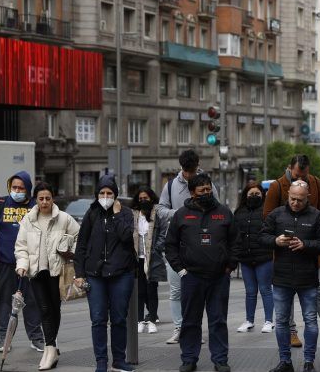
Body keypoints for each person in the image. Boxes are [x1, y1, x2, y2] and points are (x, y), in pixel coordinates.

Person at [263, 154, 320, 348]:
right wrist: (280, 238)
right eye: (297, 175)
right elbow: (267, 216)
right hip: (285, 252)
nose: (301, 179)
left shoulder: (315, 182)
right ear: (289, 169)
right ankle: (292, 332)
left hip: (310, 251)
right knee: (286, 296)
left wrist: (315, 239)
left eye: (305, 175)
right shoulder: (278, 185)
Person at [165, 173, 238, 372]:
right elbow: (170, 245)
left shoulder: (224, 213)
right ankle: (189, 359)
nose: (206, 193)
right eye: (202, 190)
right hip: (191, 277)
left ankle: (220, 360)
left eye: (208, 189)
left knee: (218, 320)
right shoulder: (181, 214)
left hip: (219, 277)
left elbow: (235, 242)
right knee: (190, 321)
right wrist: (180, 270)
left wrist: (230, 266)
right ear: (192, 193)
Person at [261, 180, 320, 372]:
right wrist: (276, 240)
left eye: (300, 200)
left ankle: (309, 361)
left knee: (310, 320)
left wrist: (305, 245)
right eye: (292, 199)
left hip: (307, 278)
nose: (295, 203)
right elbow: (262, 237)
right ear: (287, 195)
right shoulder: (277, 214)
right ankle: (285, 361)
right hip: (282, 277)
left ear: (307, 197)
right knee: (282, 321)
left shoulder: (316, 216)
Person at [14, 181, 80, 370]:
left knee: (54, 309)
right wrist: (22, 265)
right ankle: (50, 348)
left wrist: (69, 250)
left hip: (56, 271)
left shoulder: (64, 218)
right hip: (36, 272)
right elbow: (21, 246)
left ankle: (51, 349)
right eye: (41, 199)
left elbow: (79, 238)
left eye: (48, 198)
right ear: (36, 200)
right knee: (43, 309)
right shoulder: (28, 219)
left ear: (53, 199)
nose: (44, 202)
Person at [73, 175, 136, 372]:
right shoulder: (92, 214)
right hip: (95, 275)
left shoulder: (125, 213)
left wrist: (116, 215)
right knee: (98, 318)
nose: (106, 196)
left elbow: (127, 238)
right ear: (97, 194)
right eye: (102, 193)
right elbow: (81, 245)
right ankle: (101, 361)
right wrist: (79, 273)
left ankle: (119, 359)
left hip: (121, 273)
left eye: (109, 193)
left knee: (118, 318)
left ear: (115, 194)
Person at [158, 149, 218, 344]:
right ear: (182, 168)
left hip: (201, 246)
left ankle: (195, 329)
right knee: (176, 290)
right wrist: (179, 214)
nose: (191, 175)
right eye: (188, 171)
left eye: (193, 170)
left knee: (197, 291)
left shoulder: (207, 185)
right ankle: (179, 327)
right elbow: (159, 209)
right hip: (177, 246)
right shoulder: (170, 186)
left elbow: (217, 208)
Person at [0, 171, 44, 352]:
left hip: (31, 263)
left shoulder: (35, 205)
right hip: (6, 262)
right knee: (5, 302)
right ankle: (4, 338)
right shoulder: (0, 204)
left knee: (32, 301)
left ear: (28, 189)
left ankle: (36, 337)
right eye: (14, 187)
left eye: (21, 188)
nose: (16, 190)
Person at [234, 181, 274, 333]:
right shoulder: (239, 212)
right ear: (245, 195)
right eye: (251, 194)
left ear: (262, 195)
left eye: (257, 194)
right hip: (245, 258)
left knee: (265, 289)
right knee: (250, 291)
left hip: (264, 257)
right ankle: (249, 320)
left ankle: (269, 320)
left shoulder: (267, 211)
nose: (254, 196)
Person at [131, 187, 168, 335]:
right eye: (140, 199)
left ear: (151, 198)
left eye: (145, 198)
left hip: (152, 258)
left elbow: (164, 233)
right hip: (136, 259)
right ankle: (140, 320)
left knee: (152, 291)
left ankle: (152, 320)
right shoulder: (133, 214)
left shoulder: (157, 213)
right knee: (139, 292)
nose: (143, 201)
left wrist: (156, 249)